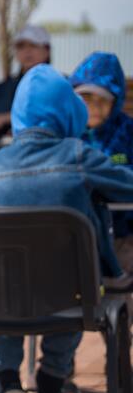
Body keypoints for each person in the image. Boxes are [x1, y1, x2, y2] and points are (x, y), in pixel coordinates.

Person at [0, 64, 133, 393]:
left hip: (4, 304)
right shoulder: (79, 155)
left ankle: (8, 385)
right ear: (69, 112)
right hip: (69, 301)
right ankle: (51, 383)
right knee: (76, 280)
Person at [70, 51, 133, 282]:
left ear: (115, 102)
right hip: (78, 235)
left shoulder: (127, 132)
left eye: (102, 100)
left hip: (123, 232)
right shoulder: (69, 131)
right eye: (86, 98)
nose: (94, 107)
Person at [0, 25, 51, 165]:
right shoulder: (1, 89)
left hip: (42, 156)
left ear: (46, 50)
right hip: (0, 154)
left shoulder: (60, 86)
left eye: (33, 45)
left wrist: (10, 117)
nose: (27, 51)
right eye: (21, 46)